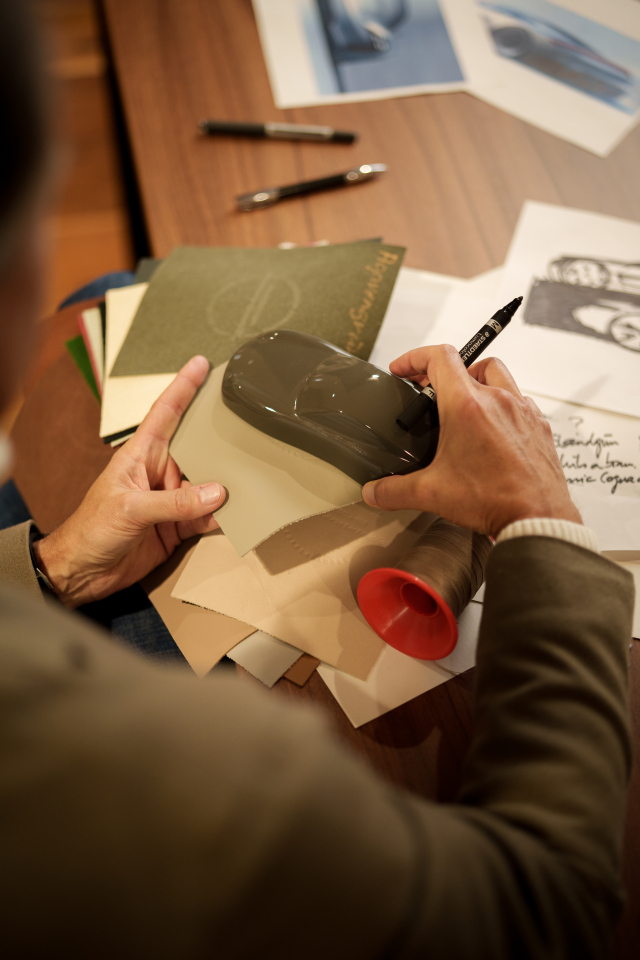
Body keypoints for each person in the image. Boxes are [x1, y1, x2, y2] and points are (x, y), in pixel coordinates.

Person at [0, 2, 634, 956]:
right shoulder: (172, 776)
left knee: (103, 300)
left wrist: (46, 571)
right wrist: (546, 525)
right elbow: (546, 905)